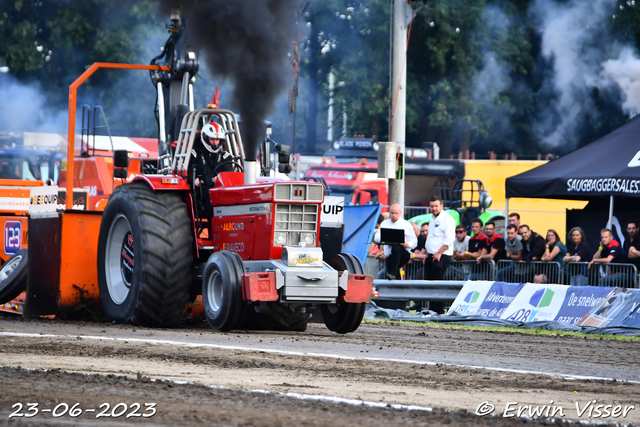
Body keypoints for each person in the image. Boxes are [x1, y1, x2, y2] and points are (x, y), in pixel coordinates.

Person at [189, 122, 234, 217]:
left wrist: (220, 179)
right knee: (211, 197)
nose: (215, 143)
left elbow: (229, 175)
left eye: (217, 140)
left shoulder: (226, 156)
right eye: (212, 139)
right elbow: (189, 174)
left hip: (222, 190)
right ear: (205, 138)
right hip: (203, 191)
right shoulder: (195, 154)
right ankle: (213, 228)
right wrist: (194, 180)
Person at [373, 204, 417, 280]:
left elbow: (414, 241)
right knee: (393, 273)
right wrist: (387, 237)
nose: (394, 215)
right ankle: (397, 286)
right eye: (392, 213)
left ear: (400, 213)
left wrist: (408, 244)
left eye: (396, 213)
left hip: (403, 253)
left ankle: (393, 274)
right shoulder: (385, 223)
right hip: (390, 255)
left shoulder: (406, 224)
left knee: (396, 246)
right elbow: (377, 237)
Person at [423, 196, 455, 280]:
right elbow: (430, 238)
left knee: (436, 283)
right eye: (432, 206)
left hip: (441, 255)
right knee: (427, 283)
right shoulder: (432, 219)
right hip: (431, 255)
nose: (434, 208)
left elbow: (449, 239)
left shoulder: (447, 219)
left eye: (436, 206)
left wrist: (439, 252)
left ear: (441, 206)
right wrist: (427, 255)